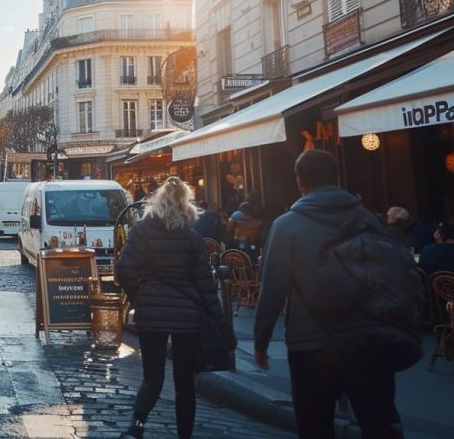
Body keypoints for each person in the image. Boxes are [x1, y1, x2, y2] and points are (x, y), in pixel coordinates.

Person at [253, 149, 404, 438]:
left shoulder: (286, 225)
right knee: (379, 424)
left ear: (300, 182)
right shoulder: (369, 219)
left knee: (315, 426)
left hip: (312, 342)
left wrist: (261, 342)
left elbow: (273, 288)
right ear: (337, 178)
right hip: (369, 337)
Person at [115, 177, 234, 439]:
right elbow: (205, 287)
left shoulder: (142, 231)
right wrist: (224, 329)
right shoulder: (191, 239)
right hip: (186, 317)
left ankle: (137, 425)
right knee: (184, 384)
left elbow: (124, 269)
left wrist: (140, 295)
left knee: (152, 378)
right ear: (185, 205)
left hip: (152, 314)